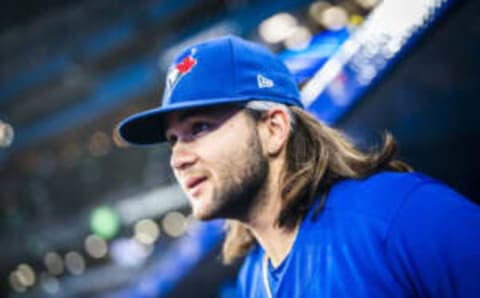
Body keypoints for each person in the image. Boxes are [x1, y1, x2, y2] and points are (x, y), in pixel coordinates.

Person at [117, 36, 480, 297]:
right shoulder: (252, 280)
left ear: (274, 129)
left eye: (200, 128)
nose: (178, 159)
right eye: (174, 140)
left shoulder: (398, 215)